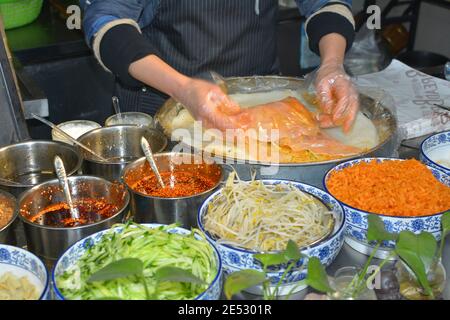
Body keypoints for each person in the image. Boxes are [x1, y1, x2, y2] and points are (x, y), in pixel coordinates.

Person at [81, 0, 359, 132]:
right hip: (167, 112)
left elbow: (328, 4)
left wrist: (332, 64)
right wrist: (183, 89)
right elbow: (106, 23)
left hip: (262, 111)